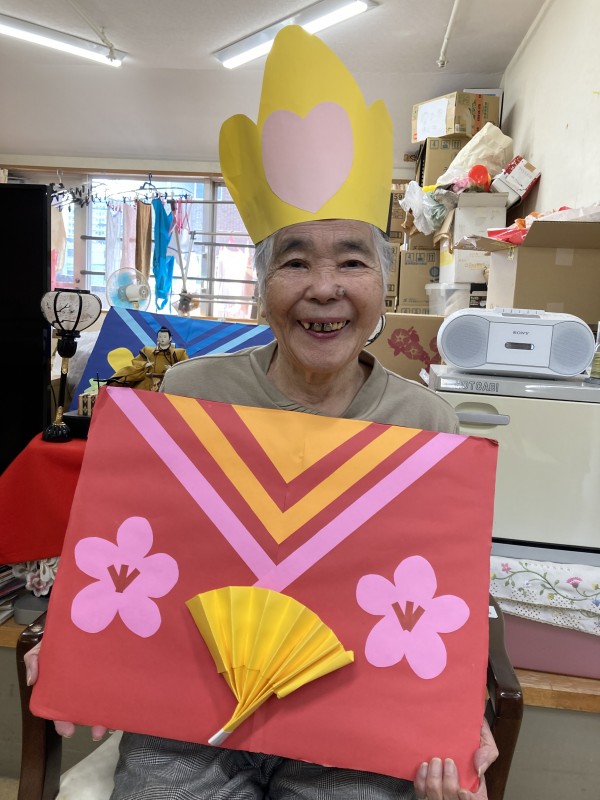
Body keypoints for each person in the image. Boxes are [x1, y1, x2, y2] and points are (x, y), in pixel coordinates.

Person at [25, 24, 498, 800]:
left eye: (351, 260)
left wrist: (456, 710)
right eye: (295, 261)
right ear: (262, 289)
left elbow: (447, 592)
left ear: (381, 285)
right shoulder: (190, 393)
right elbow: (134, 542)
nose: (324, 286)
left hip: (353, 722)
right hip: (188, 712)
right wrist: (77, 636)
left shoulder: (426, 426)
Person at [108, 326, 188, 391]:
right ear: (157, 338)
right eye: (160, 337)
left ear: (170, 338)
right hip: (147, 383)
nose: (162, 339)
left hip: (167, 384)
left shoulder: (179, 353)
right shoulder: (147, 351)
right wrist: (145, 364)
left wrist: (173, 370)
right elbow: (136, 362)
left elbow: (186, 368)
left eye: (165, 337)